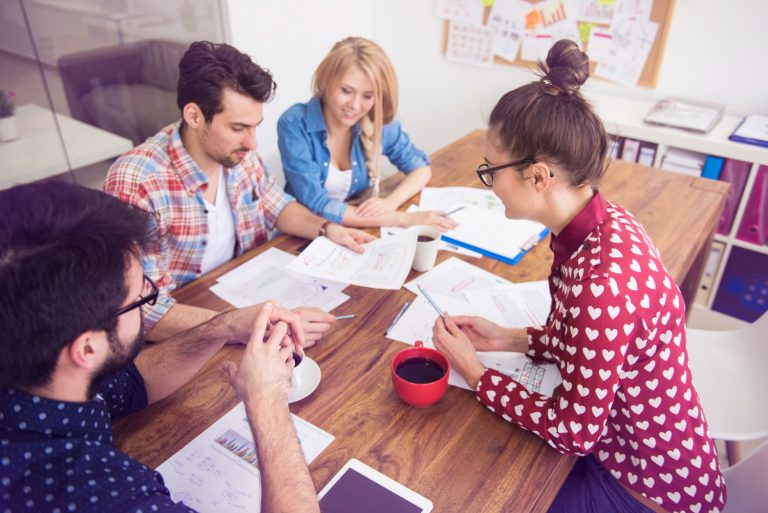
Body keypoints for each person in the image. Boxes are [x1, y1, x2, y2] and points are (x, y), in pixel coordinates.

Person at [431, 40, 726, 513]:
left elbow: (573, 433)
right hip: (653, 450)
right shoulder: (608, 221)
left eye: (491, 170)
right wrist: (510, 338)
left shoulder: (600, 290)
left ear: (538, 176)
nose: (486, 180)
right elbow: (595, 347)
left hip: (644, 489)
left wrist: (474, 372)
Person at [0, 181, 319, 513]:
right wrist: (267, 402)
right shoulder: (95, 493)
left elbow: (133, 382)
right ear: (87, 349)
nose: (146, 300)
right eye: (138, 298)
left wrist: (224, 326)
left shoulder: (43, 371)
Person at [104, 41, 374, 343]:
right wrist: (248, 325)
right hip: (188, 329)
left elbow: (278, 205)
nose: (252, 143)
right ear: (194, 116)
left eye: (255, 126)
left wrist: (326, 228)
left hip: (242, 297)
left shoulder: (237, 153)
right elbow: (144, 311)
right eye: (238, 128)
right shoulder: (137, 182)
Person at [278, 36, 457, 231]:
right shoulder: (294, 124)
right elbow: (318, 205)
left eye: (367, 96)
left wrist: (391, 203)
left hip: (356, 228)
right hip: (307, 233)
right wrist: (401, 219)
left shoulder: (377, 120)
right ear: (325, 81)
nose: (355, 106)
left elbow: (420, 169)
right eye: (346, 91)